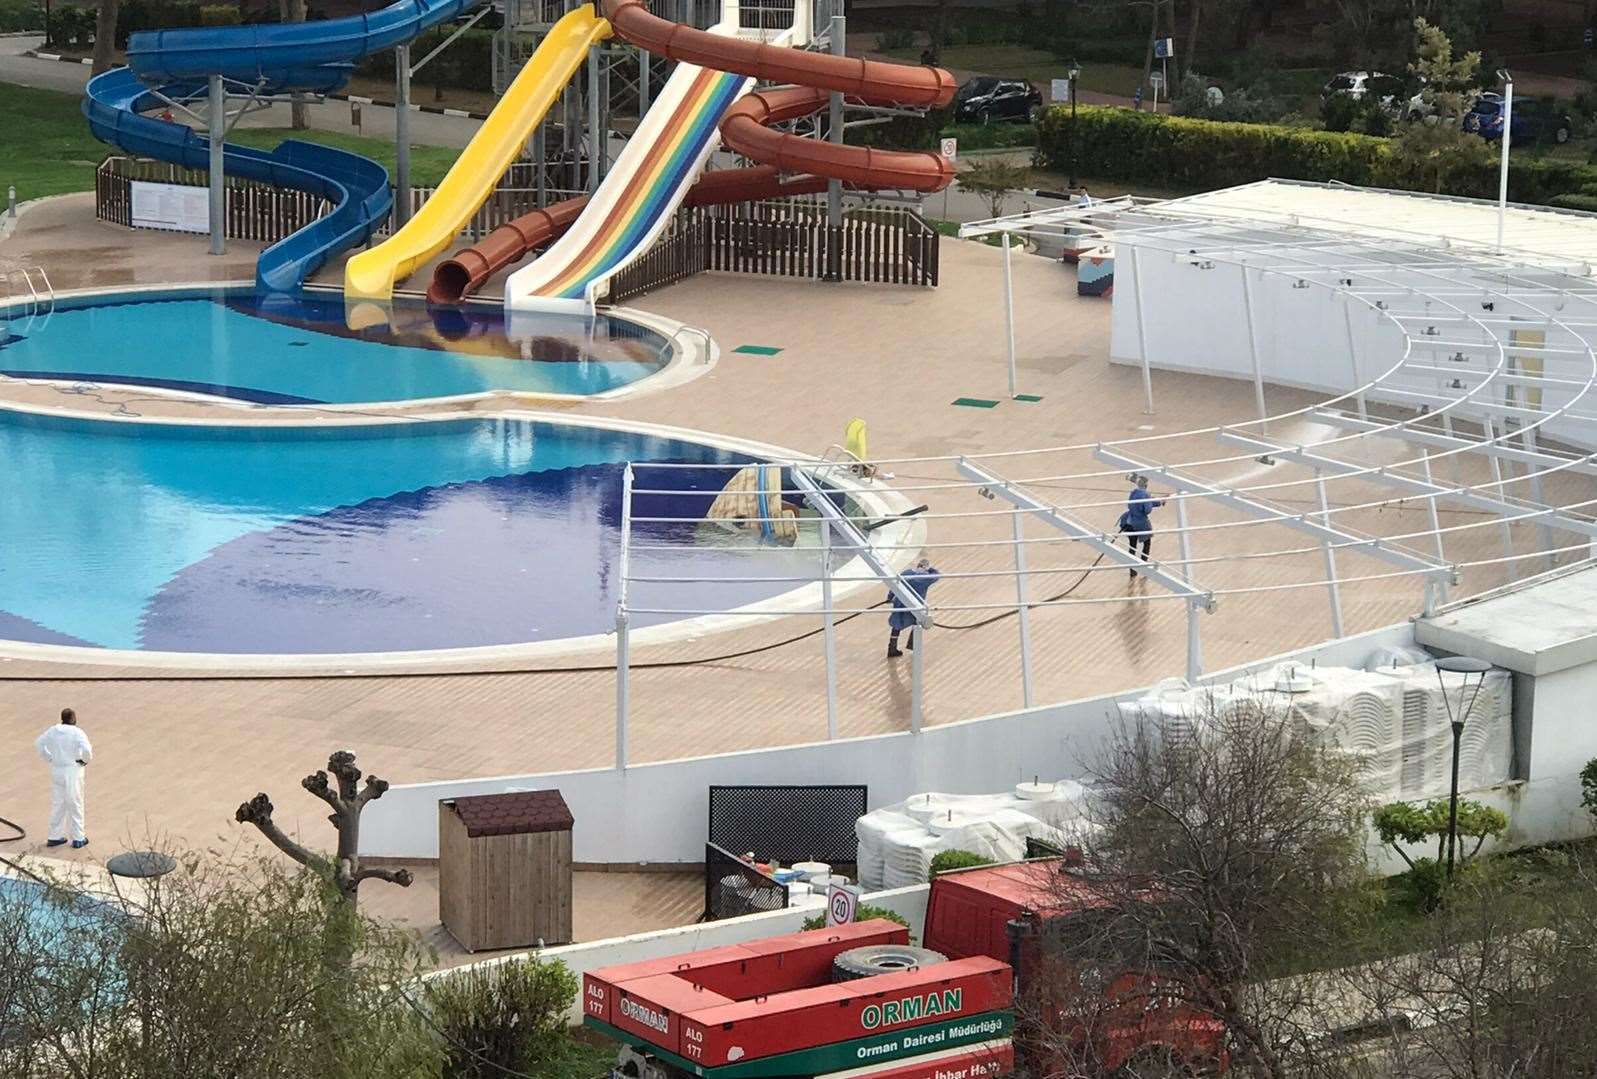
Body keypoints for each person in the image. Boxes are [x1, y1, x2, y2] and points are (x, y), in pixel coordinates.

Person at [34, 707, 92, 849]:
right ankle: (78, 837)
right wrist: (85, 760)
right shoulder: (78, 732)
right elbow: (87, 750)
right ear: (73, 718)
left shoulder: (53, 731)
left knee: (58, 803)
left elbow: (39, 743)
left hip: (57, 770)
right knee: (74, 802)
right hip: (72, 770)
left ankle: (54, 836)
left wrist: (49, 757)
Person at [887, 558, 940, 658]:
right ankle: (912, 645)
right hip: (916, 606)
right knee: (917, 623)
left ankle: (892, 648)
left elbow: (894, 585)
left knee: (896, 625)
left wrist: (890, 597)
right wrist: (930, 569)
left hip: (900, 603)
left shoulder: (906, 573)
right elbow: (937, 575)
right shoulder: (926, 577)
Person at [1117, 475, 1165, 579]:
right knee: (1146, 544)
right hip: (1140, 523)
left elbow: (1145, 502)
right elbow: (1147, 509)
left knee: (1132, 546)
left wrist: (1159, 502)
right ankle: (1144, 568)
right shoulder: (1145, 494)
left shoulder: (1134, 493)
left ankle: (1132, 571)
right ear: (1146, 485)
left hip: (1128, 521)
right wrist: (1157, 501)